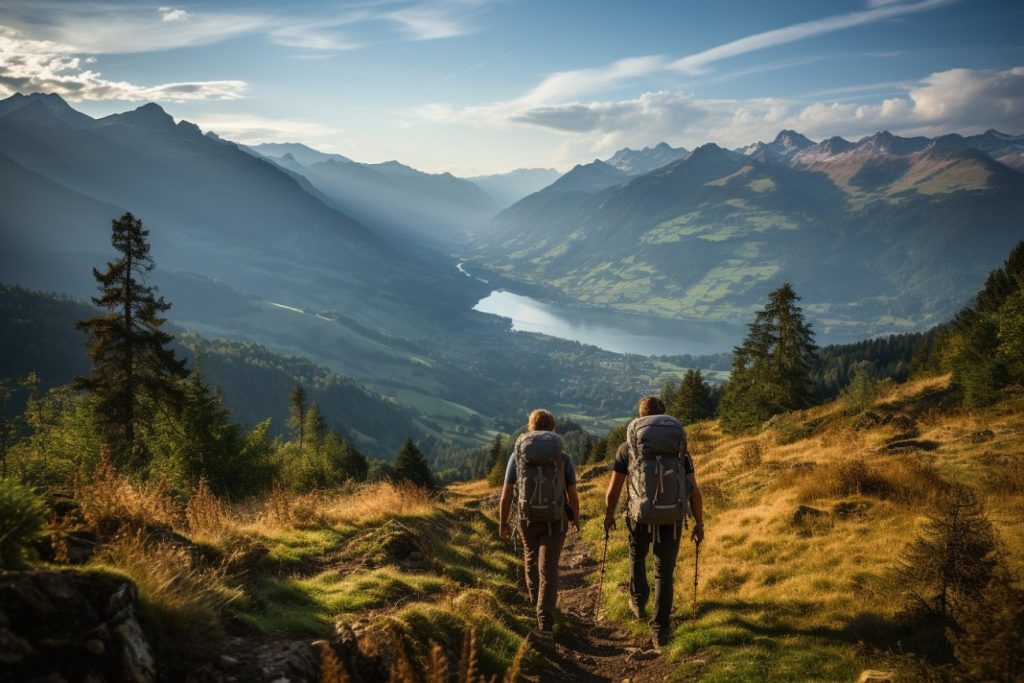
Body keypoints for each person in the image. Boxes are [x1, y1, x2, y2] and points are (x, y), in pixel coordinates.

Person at [603, 395, 704, 649]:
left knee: (637, 556)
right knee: (664, 573)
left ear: (641, 417)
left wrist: (608, 515)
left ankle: (638, 602)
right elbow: (693, 488)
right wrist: (698, 523)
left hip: (639, 515)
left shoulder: (628, 448)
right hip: (672, 515)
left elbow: (614, 488)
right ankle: (660, 631)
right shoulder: (679, 449)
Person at [499, 408, 580, 634]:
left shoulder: (518, 456)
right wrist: (575, 517)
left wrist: (503, 522)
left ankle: (537, 607)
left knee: (531, 561)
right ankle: (545, 621)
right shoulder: (562, 458)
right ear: (552, 428)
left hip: (527, 518)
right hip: (555, 519)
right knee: (549, 569)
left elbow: (506, 494)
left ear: (530, 427)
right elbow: (572, 494)